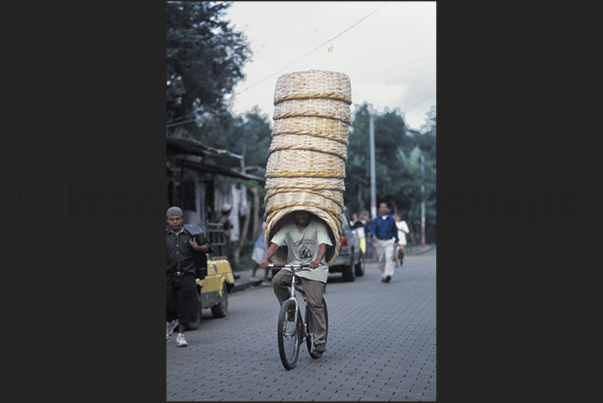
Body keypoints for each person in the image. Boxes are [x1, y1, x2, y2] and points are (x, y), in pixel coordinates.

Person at [260, 210, 332, 356]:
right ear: (293, 215)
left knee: (314, 303)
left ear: (309, 214)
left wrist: (317, 260)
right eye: (298, 214)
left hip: (314, 269)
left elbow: (322, 246)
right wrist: (265, 259)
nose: (301, 217)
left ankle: (319, 341)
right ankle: (291, 312)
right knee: (277, 281)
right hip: (294, 266)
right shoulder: (287, 227)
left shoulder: (318, 226)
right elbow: (274, 245)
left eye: (304, 214)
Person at [166, 206, 212, 347]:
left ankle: (181, 335)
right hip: (168, 276)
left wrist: (198, 248)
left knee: (185, 305)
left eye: (177, 219)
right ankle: (170, 321)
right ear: (167, 221)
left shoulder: (192, 233)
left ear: (182, 219)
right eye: (172, 219)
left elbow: (209, 246)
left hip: (187, 275)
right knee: (168, 303)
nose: (175, 222)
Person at [369, 203, 399, 283]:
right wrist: (373, 235)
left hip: (389, 241)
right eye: (381, 207)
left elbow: (395, 230)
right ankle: (383, 274)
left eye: (384, 207)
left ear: (386, 209)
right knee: (381, 260)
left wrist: (397, 240)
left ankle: (388, 275)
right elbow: (372, 229)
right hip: (379, 241)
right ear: (379, 209)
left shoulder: (391, 219)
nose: (383, 209)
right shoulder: (376, 220)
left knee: (389, 257)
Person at [218, 203, 240, 279]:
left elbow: (230, 225)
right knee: (226, 258)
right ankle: (229, 275)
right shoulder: (222, 219)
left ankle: (231, 274)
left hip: (227, 240)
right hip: (224, 241)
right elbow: (219, 228)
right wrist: (225, 234)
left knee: (229, 257)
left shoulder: (226, 219)